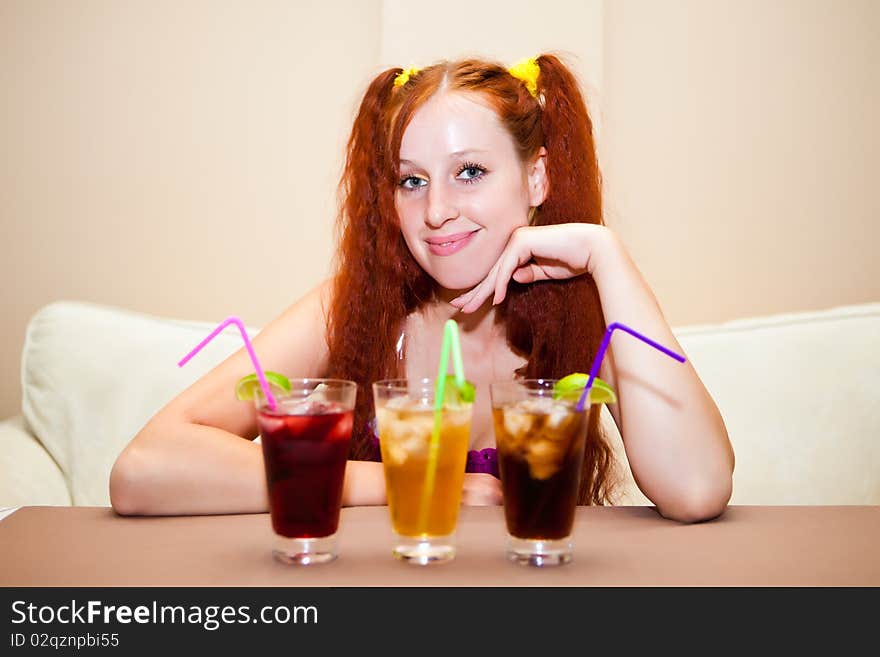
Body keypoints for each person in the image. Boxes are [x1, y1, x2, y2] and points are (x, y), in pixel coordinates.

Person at [109, 54, 734, 522]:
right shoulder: (352, 309)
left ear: (537, 177)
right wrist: (410, 480)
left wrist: (607, 255)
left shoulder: (590, 318)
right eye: (411, 181)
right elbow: (145, 469)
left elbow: (698, 488)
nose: (436, 210)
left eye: (470, 172)